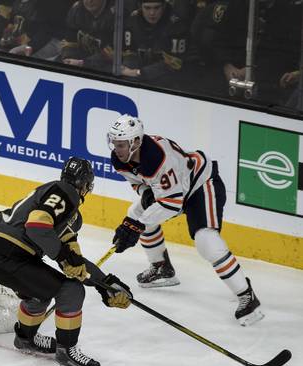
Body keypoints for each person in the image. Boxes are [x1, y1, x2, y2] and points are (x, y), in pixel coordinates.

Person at [0, 156, 133, 366]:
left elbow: (75, 259)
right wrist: (64, 256)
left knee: (40, 291)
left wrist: (104, 283)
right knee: (70, 290)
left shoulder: (58, 205)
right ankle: (67, 354)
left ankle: (25, 338)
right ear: (85, 184)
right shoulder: (65, 193)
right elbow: (37, 226)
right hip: (9, 256)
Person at [107, 114, 264, 326]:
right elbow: (139, 183)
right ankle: (162, 268)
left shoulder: (157, 156)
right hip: (174, 189)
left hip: (201, 184)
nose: (116, 148)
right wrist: (144, 195)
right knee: (135, 214)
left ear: (135, 142)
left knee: (206, 241)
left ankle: (247, 295)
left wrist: (137, 225)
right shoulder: (119, 158)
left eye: (121, 144)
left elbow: (173, 204)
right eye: (114, 143)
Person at [120, 0, 191, 89]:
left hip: (175, 79)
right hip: (142, 72)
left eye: (157, 8)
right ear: (140, 6)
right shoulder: (133, 20)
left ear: (164, 6)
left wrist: (138, 73)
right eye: (147, 8)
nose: (152, 13)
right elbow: (130, 52)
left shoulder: (177, 25)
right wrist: (127, 69)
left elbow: (174, 64)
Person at [61, 0, 116, 73]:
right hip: (80, 59)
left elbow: (112, 54)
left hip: (106, 67)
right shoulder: (77, 9)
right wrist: (68, 58)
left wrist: (83, 63)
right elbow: (70, 40)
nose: (89, 1)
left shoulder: (117, 15)